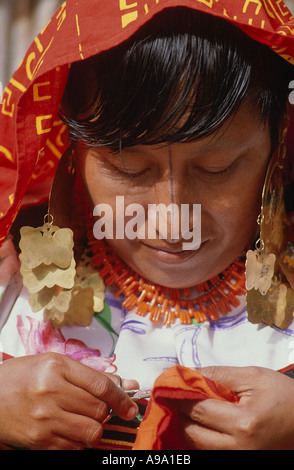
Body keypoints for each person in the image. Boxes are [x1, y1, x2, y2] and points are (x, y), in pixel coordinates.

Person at [0, 0, 294, 451]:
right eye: (129, 169)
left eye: (217, 168)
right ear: (70, 149)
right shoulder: (10, 282)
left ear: (280, 141)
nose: (172, 221)